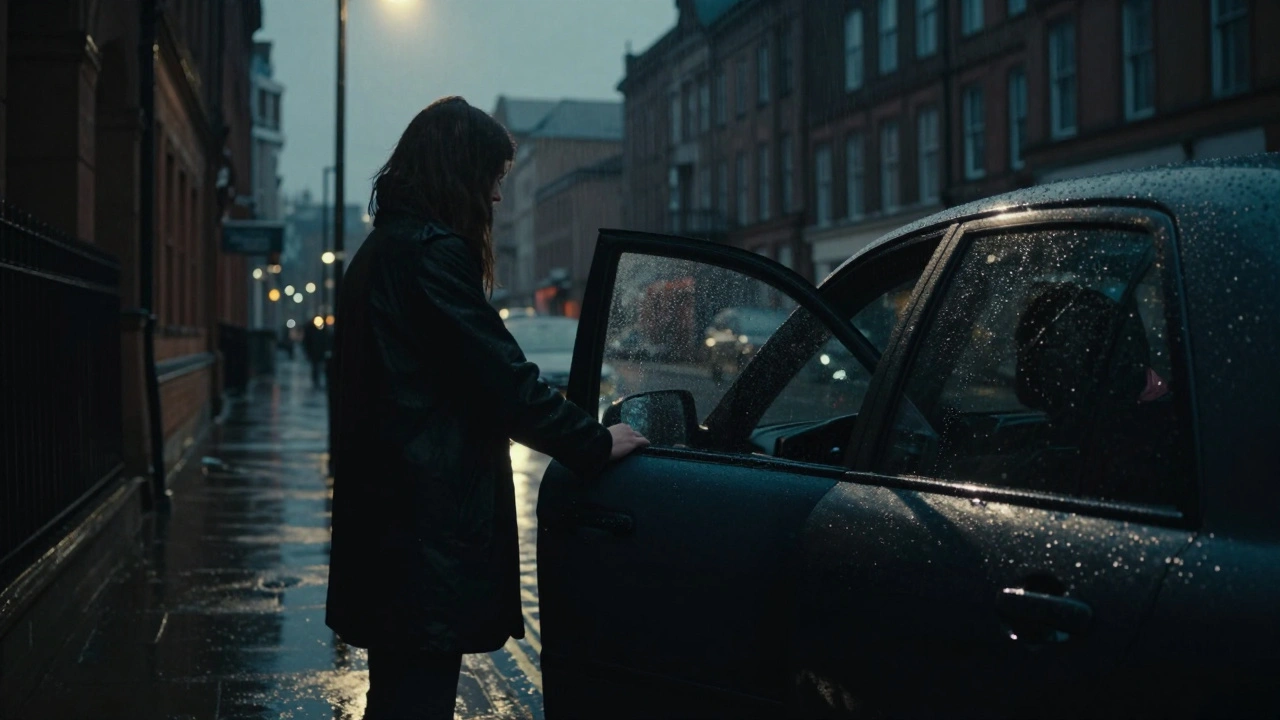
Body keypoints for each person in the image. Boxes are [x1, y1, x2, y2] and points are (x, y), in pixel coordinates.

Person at [325, 97, 649, 720]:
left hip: (388, 521)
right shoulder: (430, 255)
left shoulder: (383, 250)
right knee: (416, 699)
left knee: (395, 695)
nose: (497, 196)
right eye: (492, 178)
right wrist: (595, 442)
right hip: (424, 527)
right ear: (460, 172)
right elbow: (503, 380)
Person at [303, 320, 330, 388]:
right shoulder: (312, 330)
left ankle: (319, 382)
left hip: (320, 352)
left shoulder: (323, 331)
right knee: (316, 368)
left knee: (320, 368)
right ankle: (316, 382)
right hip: (315, 353)